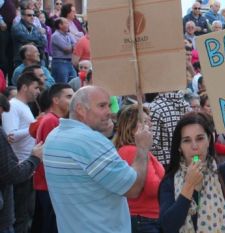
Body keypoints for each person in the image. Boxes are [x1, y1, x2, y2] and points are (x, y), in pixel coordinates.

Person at [43, 86, 154, 232]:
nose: (109, 112)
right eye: (102, 106)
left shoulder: (53, 136)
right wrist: (142, 148)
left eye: (108, 105)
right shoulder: (91, 141)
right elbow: (133, 188)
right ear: (81, 110)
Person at [113, 104, 165, 233]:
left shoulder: (137, 150)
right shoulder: (132, 151)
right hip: (144, 221)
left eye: (150, 121)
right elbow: (153, 188)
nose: (151, 125)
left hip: (147, 219)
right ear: (131, 129)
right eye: (145, 122)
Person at [30, 83, 73, 233]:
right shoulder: (52, 121)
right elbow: (55, 156)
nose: (72, 100)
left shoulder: (53, 119)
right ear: (55, 100)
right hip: (49, 185)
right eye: (68, 96)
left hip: (48, 185)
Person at [2, 72, 41, 233]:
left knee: (26, 214)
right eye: (36, 87)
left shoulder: (23, 106)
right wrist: (34, 127)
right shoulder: (14, 106)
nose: (38, 91)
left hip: (27, 168)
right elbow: (10, 135)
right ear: (24, 87)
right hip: (19, 168)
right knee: (21, 216)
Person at [149, 92, 192, 166]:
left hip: (162, 164)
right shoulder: (186, 106)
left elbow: (151, 144)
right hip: (183, 160)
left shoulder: (154, 108)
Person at [50, 17, 77, 83]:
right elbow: (66, 49)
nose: (68, 25)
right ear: (60, 25)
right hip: (60, 63)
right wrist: (73, 46)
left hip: (69, 62)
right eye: (66, 23)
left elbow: (76, 45)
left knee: (73, 81)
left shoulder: (68, 35)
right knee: (62, 84)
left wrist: (72, 46)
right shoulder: (56, 36)